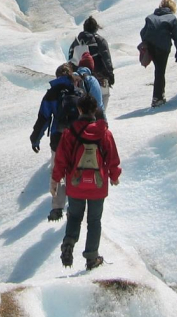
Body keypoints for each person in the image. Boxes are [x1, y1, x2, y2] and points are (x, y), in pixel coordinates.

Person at [52, 94, 121, 271]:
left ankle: (69, 241)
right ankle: (91, 257)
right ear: (95, 109)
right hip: (98, 186)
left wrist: (55, 179)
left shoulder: (70, 133)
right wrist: (114, 176)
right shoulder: (104, 132)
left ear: (79, 110)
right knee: (94, 220)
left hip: (75, 185)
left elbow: (61, 159)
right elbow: (112, 157)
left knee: (74, 216)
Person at [30, 63, 79, 221]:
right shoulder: (78, 89)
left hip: (58, 139)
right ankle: (74, 204)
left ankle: (57, 207)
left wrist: (35, 139)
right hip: (77, 138)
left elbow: (44, 118)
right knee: (74, 171)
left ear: (57, 76)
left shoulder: (52, 93)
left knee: (57, 172)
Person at [139, 0, 177, 107]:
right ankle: (158, 98)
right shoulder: (172, 18)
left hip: (151, 47)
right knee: (160, 71)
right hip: (163, 48)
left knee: (158, 70)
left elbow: (143, 33)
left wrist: (147, 43)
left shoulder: (150, 17)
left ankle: (158, 96)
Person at [68, 16, 115, 109]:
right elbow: (106, 58)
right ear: (96, 28)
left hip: (79, 79)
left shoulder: (76, 42)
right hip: (99, 77)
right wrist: (110, 74)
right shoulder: (99, 40)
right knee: (102, 100)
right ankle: (99, 121)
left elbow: (71, 60)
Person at [74, 52, 105, 120]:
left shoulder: (72, 77)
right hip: (87, 120)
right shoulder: (91, 80)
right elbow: (98, 104)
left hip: (70, 120)